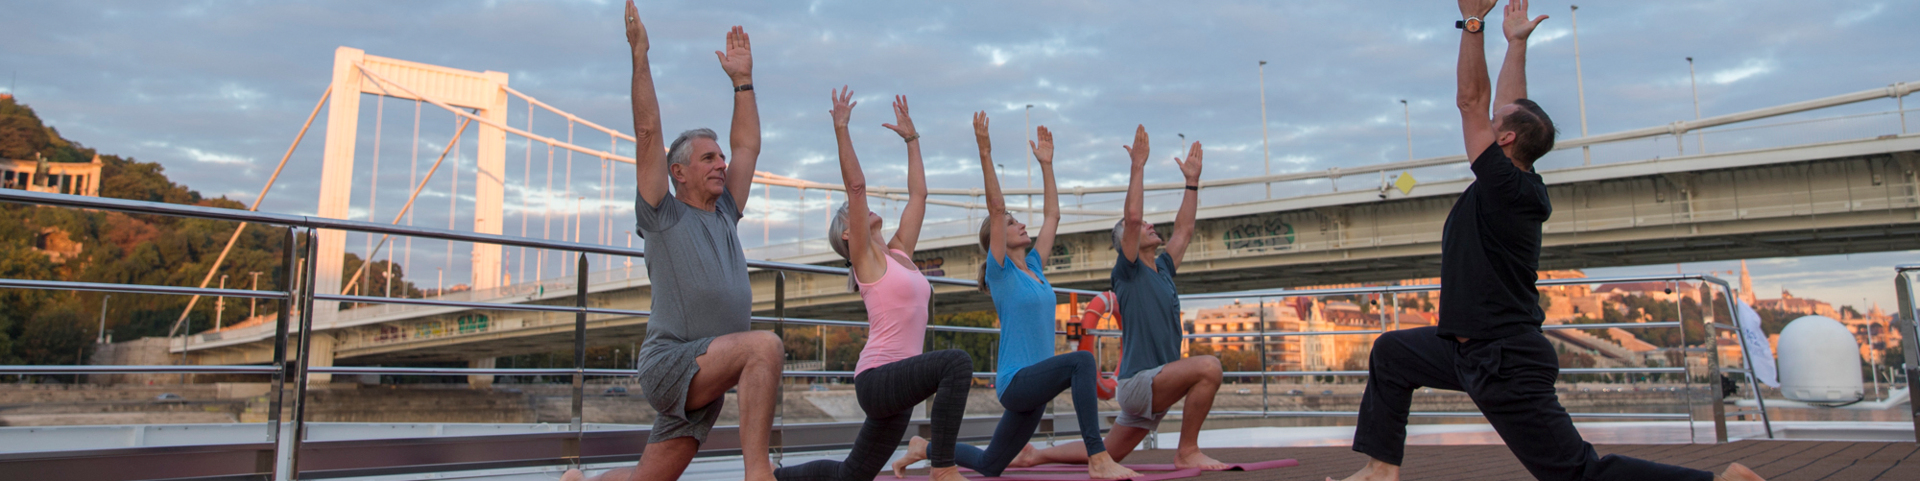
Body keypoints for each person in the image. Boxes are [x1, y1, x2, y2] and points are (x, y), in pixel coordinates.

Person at [1330, 2, 1764, 481]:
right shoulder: (1520, 179)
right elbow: (1513, 109)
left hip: (1503, 361)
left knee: (1578, 474)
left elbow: (1472, 102)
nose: (1489, 123)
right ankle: (1381, 469)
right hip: (1468, 350)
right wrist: (1516, 43)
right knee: (1392, 353)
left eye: (1499, 125)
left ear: (1507, 140)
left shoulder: (1502, 185)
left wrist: (1472, 24)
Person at [565, 3, 780, 481]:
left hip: (707, 371)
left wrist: (742, 82)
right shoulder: (662, 213)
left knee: (650, 479)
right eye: (708, 158)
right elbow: (647, 134)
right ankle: (758, 474)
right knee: (765, 346)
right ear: (678, 172)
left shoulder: (725, 213)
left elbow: (748, 147)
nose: (722, 163)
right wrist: (640, 54)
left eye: (720, 156)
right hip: (672, 365)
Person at [896, 114, 1139, 480]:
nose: (1020, 224)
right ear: (997, 237)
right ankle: (1098, 458)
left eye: (1017, 220)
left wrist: (1047, 165)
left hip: (1035, 390)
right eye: (1012, 223)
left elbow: (1053, 215)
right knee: (1082, 363)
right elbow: (996, 208)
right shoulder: (1000, 273)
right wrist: (985, 152)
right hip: (1017, 383)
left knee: (991, 465)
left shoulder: (1036, 268)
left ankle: (924, 448)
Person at [772, 88, 974, 481]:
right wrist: (841, 129)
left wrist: (912, 141)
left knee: (853, 475)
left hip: (897, 383)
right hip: (879, 378)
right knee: (956, 362)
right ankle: (944, 468)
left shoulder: (899, 254)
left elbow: (919, 194)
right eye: (853, 214)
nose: (861, 208)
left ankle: (774, 476)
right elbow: (857, 187)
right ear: (849, 236)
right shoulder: (865, 260)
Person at [1008, 127, 1229, 471]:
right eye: (1143, 228)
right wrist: (1137, 166)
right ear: (1126, 238)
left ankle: (1035, 454)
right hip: (1142, 381)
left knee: (1110, 452)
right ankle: (1187, 450)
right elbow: (1134, 217)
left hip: (1152, 380)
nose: (1151, 225)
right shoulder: (1127, 272)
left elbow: (1184, 229)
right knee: (1208, 367)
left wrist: (1192, 183)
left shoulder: (1164, 268)